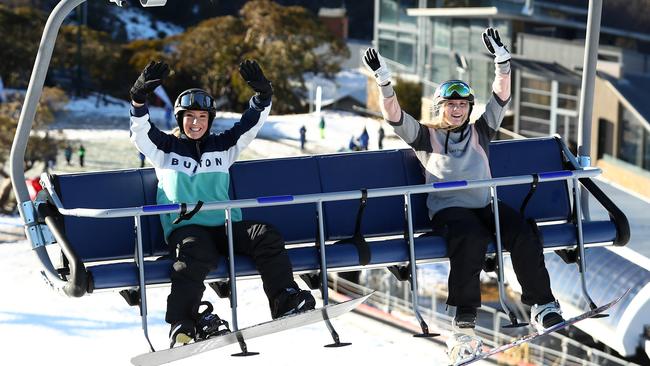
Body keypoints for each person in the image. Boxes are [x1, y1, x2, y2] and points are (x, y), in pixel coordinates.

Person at [363, 28, 564, 361]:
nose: (456, 109)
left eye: (462, 104)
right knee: (469, 238)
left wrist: (503, 62)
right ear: (441, 107)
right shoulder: (426, 136)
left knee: (522, 231)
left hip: (485, 203)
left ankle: (542, 304)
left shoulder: (480, 131)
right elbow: (394, 117)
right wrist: (385, 83)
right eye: (450, 104)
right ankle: (464, 321)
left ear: (469, 107)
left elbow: (501, 98)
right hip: (449, 210)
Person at [128, 60, 315, 349]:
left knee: (264, 235)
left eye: (202, 117)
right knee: (193, 254)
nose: (195, 123)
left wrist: (263, 96)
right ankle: (183, 323)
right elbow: (140, 131)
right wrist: (139, 98)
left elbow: (249, 126)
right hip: (187, 228)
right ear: (180, 119)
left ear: (209, 120)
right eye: (189, 116)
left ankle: (284, 298)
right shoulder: (164, 149)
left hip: (225, 225)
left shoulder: (223, 146)